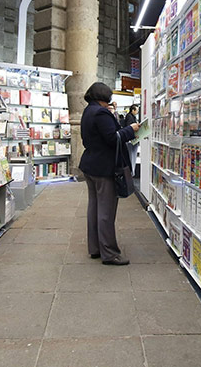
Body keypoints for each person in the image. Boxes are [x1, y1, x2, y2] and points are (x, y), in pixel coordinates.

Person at [79, 82, 139, 266]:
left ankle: (95, 248)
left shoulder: (88, 111)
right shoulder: (101, 112)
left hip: (90, 165)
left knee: (94, 208)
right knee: (106, 210)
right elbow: (113, 138)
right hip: (104, 168)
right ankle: (110, 253)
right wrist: (131, 130)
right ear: (105, 96)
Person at [124, 105, 140, 175]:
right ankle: (131, 173)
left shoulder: (131, 116)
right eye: (136, 110)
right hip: (131, 140)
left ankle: (131, 172)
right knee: (132, 156)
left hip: (131, 140)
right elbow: (129, 127)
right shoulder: (130, 117)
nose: (137, 112)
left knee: (132, 156)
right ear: (133, 110)